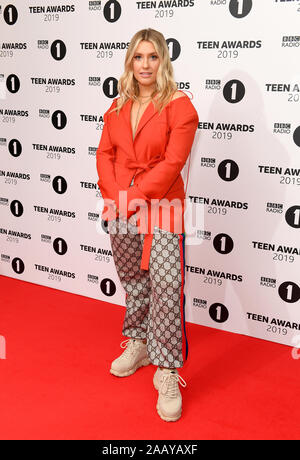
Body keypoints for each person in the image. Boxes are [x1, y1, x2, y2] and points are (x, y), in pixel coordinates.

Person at [96, 28, 198, 422]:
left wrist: (133, 196)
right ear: (129, 62)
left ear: (163, 61)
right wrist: (116, 194)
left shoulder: (180, 105)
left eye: (152, 57)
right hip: (121, 205)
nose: (144, 65)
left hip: (163, 205)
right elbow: (105, 154)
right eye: (138, 57)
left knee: (168, 282)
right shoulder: (118, 105)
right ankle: (138, 341)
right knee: (134, 280)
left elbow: (173, 163)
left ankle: (168, 371)